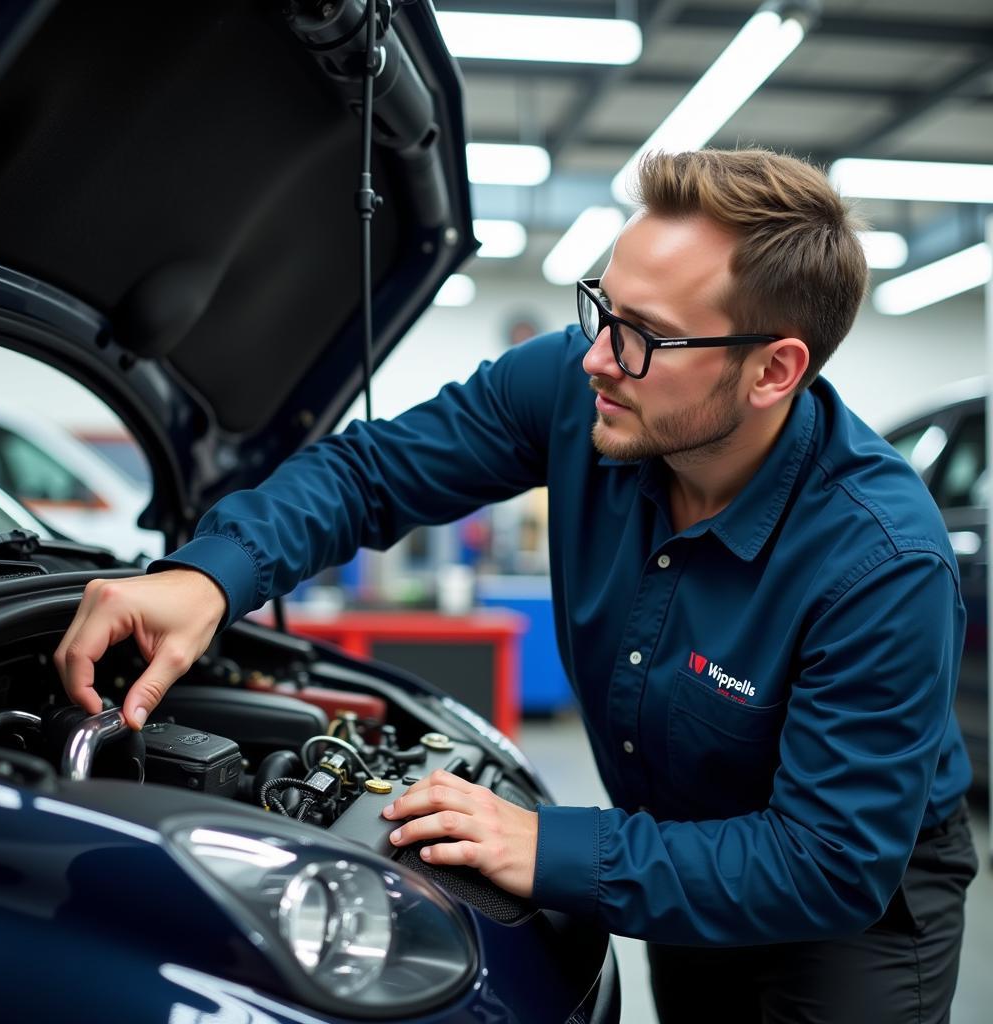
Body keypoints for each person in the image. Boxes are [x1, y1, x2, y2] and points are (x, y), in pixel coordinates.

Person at [55, 148, 978, 1023]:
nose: (597, 358)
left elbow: (825, 860)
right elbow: (371, 474)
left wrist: (553, 846)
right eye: (600, 308)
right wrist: (209, 577)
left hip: (855, 915)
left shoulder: (882, 564)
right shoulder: (586, 393)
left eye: (645, 336)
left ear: (774, 369)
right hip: (679, 842)